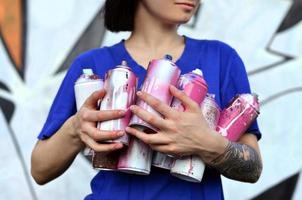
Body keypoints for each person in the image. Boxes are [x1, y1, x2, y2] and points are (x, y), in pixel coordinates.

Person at [31, 0, 263, 199]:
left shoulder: (221, 58)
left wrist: (207, 143)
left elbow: (253, 168)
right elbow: (40, 170)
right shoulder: (90, 65)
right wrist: (75, 128)